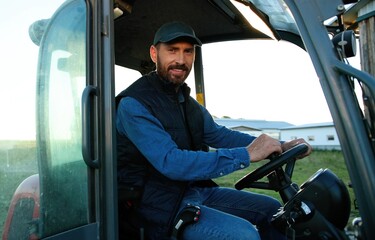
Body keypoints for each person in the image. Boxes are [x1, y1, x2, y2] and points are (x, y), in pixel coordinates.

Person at [116, 21, 312, 240]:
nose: (181, 60)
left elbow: (219, 135)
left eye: (188, 51)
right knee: (244, 235)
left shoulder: (186, 103)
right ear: (154, 53)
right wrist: (246, 155)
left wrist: (278, 147)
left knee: (272, 210)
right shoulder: (134, 104)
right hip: (154, 205)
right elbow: (171, 162)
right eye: (172, 50)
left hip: (191, 191)